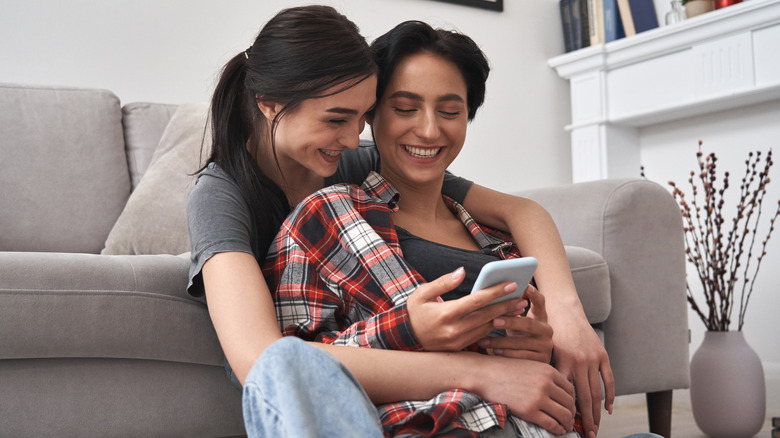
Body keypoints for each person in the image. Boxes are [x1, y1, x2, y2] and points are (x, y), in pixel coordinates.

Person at [187, 5, 613, 437]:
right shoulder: (220, 195)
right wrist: (475, 370)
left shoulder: (354, 158)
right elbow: (265, 362)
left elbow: (521, 210)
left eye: (362, 117)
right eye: (337, 119)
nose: (355, 139)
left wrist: (564, 312)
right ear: (268, 104)